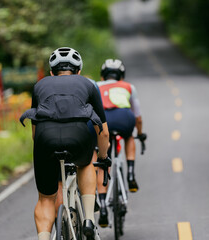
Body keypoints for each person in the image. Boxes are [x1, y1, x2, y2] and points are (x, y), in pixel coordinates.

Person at [20, 47, 109, 240]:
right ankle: (88, 220)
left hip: (45, 139)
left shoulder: (40, 85)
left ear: (51, 72)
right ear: (78, 71)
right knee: (85, 164)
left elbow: (35, 132)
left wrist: (46, 154)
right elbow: (103, 131)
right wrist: (102, 157)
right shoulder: (87, 84)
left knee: (45, 199)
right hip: (78, 136)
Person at [96, 59, 147, 227]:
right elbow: (137, 116)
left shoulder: (96, 86)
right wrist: (140, 133)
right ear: (121, 75)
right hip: (124, 118)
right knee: (129, 136)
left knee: (103, 162)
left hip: (103, 122)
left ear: (103, 75)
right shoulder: (128, 87)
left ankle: (102, 205)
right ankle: (131, 173)